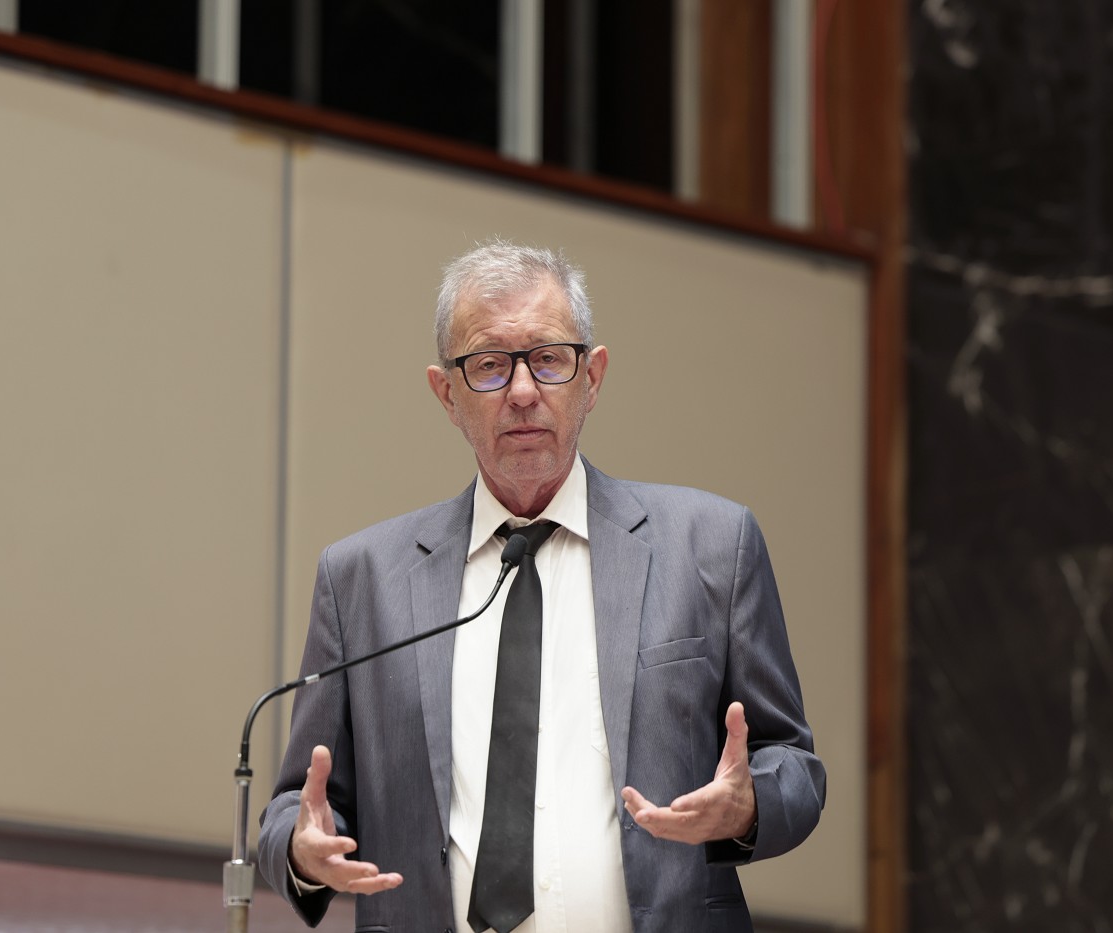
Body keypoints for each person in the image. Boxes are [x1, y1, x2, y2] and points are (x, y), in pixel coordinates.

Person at [257, 241, 825, 933]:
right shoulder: (362, 580)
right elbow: (294, 808)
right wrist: (301, 848)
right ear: (446, 393)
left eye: (550, 359)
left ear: (593, 377)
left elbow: (795, 767)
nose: (523, 391)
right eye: (489, 365)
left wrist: (750, 804)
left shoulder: (711, 545)